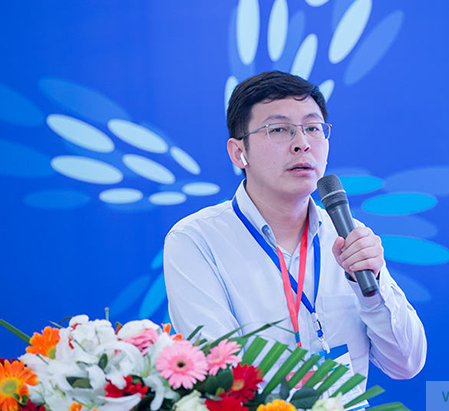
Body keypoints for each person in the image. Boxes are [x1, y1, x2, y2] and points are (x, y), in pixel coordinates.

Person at [164, 71, 427, 385]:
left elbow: (406, 364)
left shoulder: (348, 236)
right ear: (239, 153)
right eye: (279, 129)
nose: (302, 144)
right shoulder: (196, 241)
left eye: (313, 128)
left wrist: (373, 286)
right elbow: (218, 378)